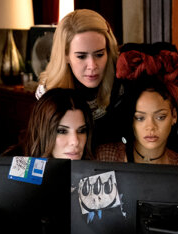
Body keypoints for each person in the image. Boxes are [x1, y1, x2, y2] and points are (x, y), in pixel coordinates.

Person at [95, 43, 178, 167]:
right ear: (130, 117)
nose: (151, 127)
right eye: (140, 118)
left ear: (174, 115)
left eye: (160, 117)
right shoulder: (104, 158)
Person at [35, 9, 121, 145]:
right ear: (65, 55)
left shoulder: (122, 85)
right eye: (81, 56)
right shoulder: (48, 93)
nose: (92, 66)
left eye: (99, 54)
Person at [8, 88, 94, 160]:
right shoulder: (11, 169)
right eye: (62, 131)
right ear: (42, 131)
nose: (75, 141)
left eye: (82, 131)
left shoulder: (98, 169)